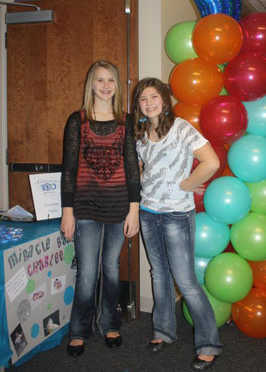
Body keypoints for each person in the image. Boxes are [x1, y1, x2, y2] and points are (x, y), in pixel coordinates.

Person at [131, 78, 223, 370]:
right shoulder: (141, 133)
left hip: (176, 215)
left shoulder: (181, 128)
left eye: (154, 96)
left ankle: (209, 344)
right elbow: (145, 167)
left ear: (164, 99)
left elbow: (210, 163)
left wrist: (186, 184)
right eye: (143, 99)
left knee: (185, 281)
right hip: (148, 211)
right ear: (138, 106)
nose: (149, 103)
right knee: (159, 274)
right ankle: (163, 331)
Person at [61, 60, 140, 357]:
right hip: (85, 208)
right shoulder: (76, 120)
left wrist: (134, 210)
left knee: (110, 268)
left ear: (117, 85)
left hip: (119, 206)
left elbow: (132, 168)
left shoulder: (125, 121)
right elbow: (68, 170)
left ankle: (109, 323)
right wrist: (67, 212)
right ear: (90, 85)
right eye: (99, 80)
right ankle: (79, 330)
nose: (105, 86)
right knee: (87, 272)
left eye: (111, 80)